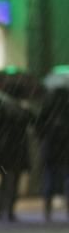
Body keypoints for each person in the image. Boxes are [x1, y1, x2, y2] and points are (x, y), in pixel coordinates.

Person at [37, 87, 69, 221]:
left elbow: (39, 128)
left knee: (48, 179)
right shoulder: (66, 110)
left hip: (51, 149)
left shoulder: (48, 110)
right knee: (66, 179)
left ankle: (47, 209)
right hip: (66, 150)